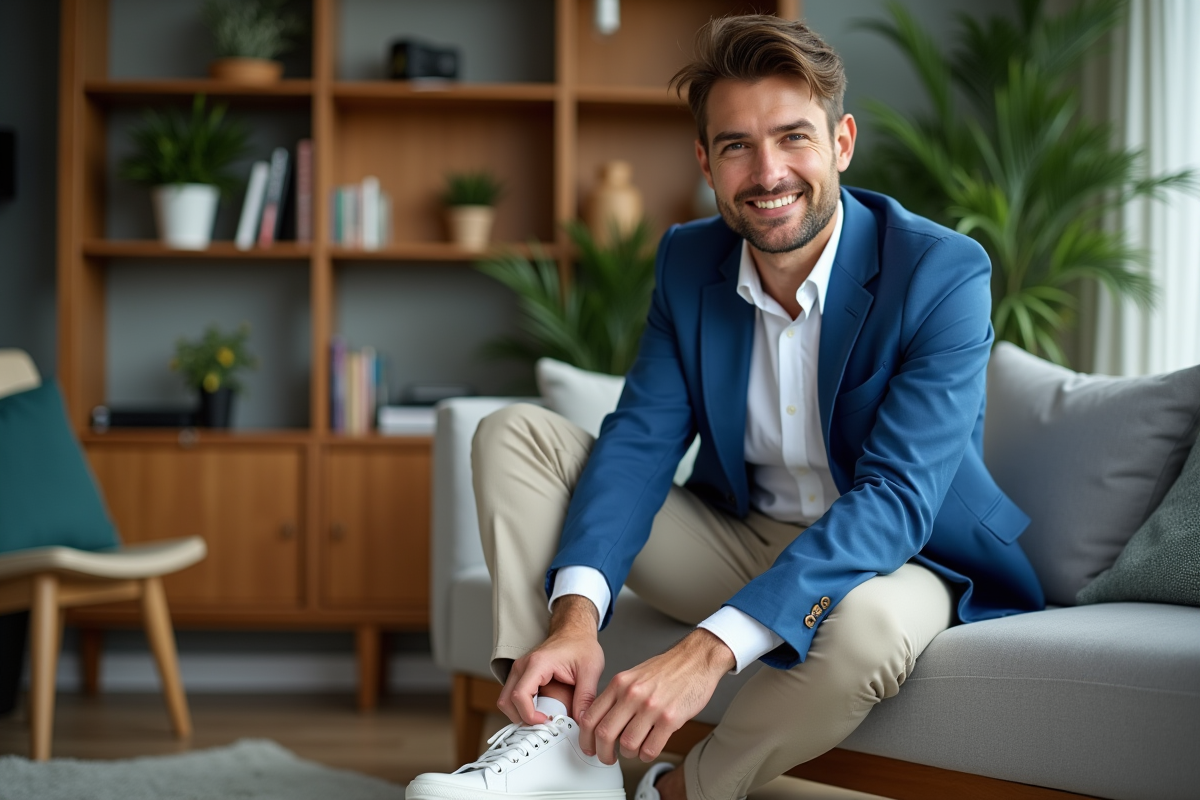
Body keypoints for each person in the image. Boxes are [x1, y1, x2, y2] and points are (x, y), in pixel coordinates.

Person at [406, 14, 1044, 800]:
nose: (768, 171)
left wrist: (707, 651)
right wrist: (574, 621)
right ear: (706, 161)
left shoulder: (941, 271)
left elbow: (899, 497)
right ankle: (552, 740)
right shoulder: (688, 259)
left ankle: (675, 792)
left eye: (793, 137)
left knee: (868, 634)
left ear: (842, 143)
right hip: (738, 534)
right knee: (516, 433)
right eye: (738, 145)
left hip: (896, 556)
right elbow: (641, 441)